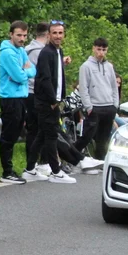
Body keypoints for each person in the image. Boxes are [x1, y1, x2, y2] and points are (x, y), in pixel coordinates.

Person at [29, 21, 77, 184]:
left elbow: (58, 77)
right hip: (46, 102)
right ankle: (56, 171)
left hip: (54, 101)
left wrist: (60, 98)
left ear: (64, 35)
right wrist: (53, 100)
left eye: (60, 33)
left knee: (42, 135)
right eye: (54, 33)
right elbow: (44, 78)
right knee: (50, 136)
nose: (57, 36)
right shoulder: (46, 53)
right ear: (48, 35)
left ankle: (29, 169)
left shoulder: (58, 51)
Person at [0, 21, 36, 184]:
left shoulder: (21, 51)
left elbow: (33, 70)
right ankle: (7, 171)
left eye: (24, 35)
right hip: (10, 98)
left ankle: (10, 170)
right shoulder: (7, 53)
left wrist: (25, 71)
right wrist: (24, 72)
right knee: (9, 135)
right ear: (11, 34)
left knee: (15, 134)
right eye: (19, 35)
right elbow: (19, 76)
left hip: (21, 97)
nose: (22, 39)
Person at [75, 37, 119, 160]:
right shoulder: (86, 66)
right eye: (99, 49)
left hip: (109, 106)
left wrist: (115, 105)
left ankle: (99, 161)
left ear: (107, 50)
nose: (101, 53)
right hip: (95, 107)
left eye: (104, 50)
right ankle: (71, 156)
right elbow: (83, 88)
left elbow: (114, 86)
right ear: (94, 49)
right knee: (87, 136)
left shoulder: (109, 66)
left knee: (103, 139)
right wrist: (89, 107)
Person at [22, 22, 50, 180]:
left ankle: (34, 164)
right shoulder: (41, 52)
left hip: (28, 92)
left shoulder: (27, 49)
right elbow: (43, 74)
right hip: (36, 93)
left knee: (34, 130)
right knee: (39, 129)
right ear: (47, 34)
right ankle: (37, 164)